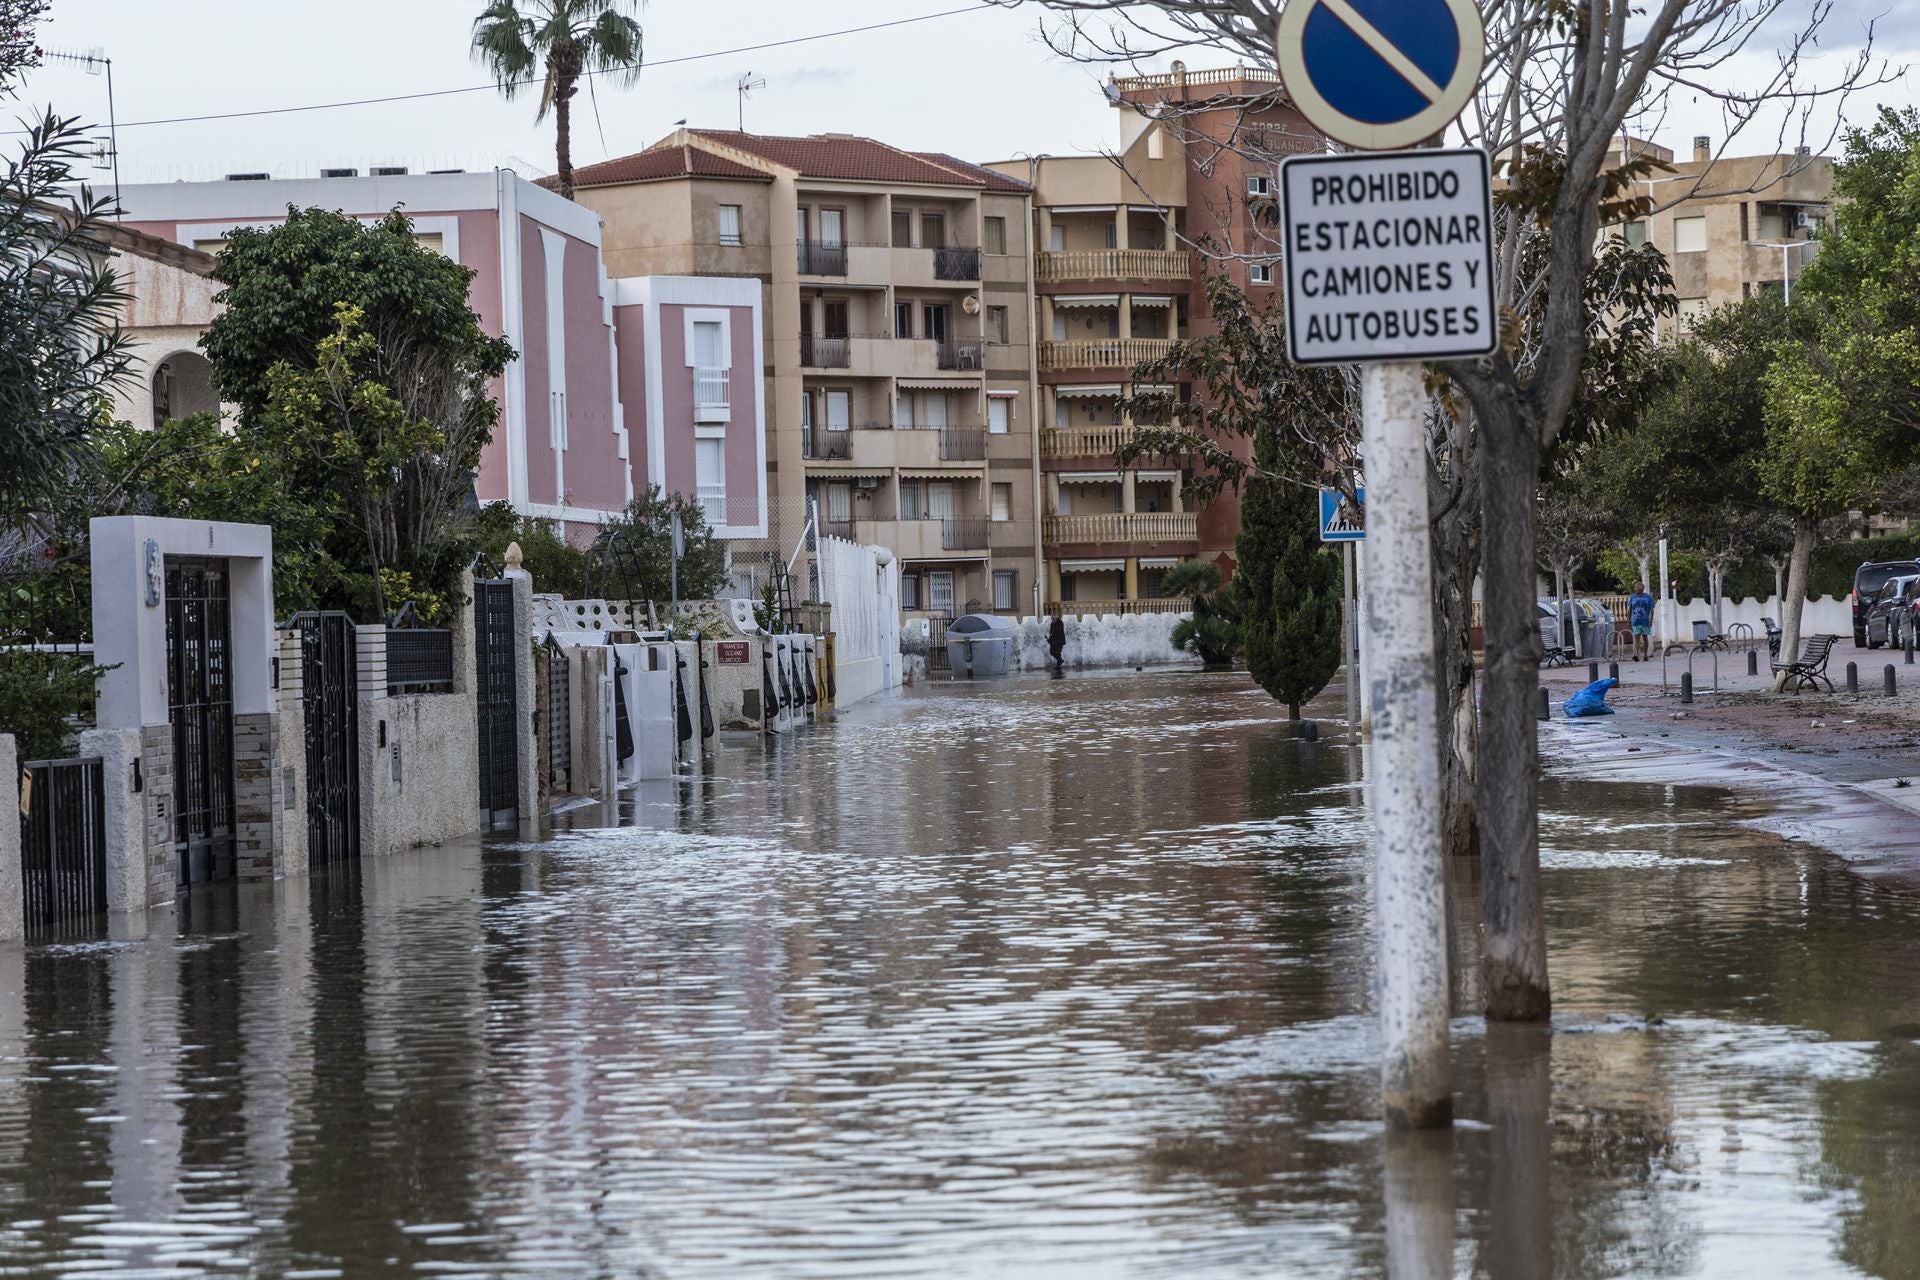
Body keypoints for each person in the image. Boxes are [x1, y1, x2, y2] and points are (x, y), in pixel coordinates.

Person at [1628, 582, 1655, 660]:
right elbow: (1630, 609)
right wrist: (1628, 620)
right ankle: (1636, 654)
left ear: (1642, 590)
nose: (1636, 591)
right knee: (1636, 637)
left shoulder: (1648, 597)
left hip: (1645, 621)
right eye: (1636, 589)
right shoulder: (1632, 597)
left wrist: (1651, 620)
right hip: (1635, 621)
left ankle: (1645, 655)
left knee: (1645, 638)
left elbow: (1652, 610)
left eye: (1638, 590)